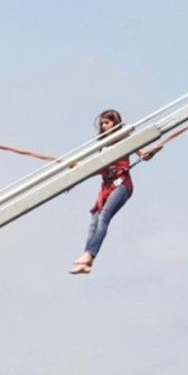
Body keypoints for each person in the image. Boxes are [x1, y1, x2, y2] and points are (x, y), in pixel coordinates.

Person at [69, 109, 159, 275]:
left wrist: (152, 152)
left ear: (115, 123)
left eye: (107, 123)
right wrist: (80, 167)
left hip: (122, 184)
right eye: (102, 124)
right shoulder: (103, 146)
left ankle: (89, 254)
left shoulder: (125, 138)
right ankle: (87, 262)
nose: (104, 126)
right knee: (94, 221)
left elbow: (143, 156)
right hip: (107, 186)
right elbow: (99, 169)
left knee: (104, 217)